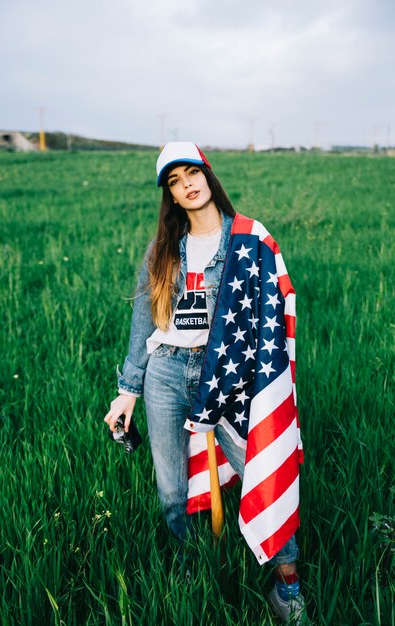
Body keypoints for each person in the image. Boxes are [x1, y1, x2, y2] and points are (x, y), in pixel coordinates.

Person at [104, 142, 309, 624]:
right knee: (172, 491)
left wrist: (265, 374)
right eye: (173, 182)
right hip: (167, 373)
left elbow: (274, 307)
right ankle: (194, 567)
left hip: (232, 373)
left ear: (208, 175)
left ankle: (288, 583)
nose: (185, 185)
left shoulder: (248, 238)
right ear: (170, 196)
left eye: (190, 173)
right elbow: (142, 324)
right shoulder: (162, 250)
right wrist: (128, 390)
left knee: (263, 470)